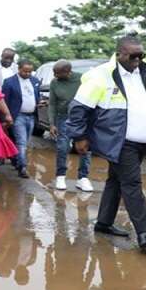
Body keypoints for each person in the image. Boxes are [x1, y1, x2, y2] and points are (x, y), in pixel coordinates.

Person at [67, 36, 146, 250]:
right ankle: (144, 232)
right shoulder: (101, 75)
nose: (138, 59)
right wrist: (79, 136)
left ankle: (103, 223)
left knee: (116, 180)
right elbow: (78, 108)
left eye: (142, 55)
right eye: (134, 55)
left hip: (143, 141)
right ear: (120, 54)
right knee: (132, 183)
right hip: (121, 141)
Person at [48, 60, 93, 192]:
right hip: (63, 118)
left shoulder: (82, 79)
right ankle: (61, 176)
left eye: (57, 73)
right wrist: (52, 123)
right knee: (62, 146)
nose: (55, 76)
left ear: (67, 72)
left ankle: (83, 178)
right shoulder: (55, 83)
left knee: (85, 148)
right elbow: (52, 104)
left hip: (82, 117)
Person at [2, 60, 41, 179]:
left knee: (25, 142)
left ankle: (15, 159)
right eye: (25, 71)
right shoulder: (9, 82)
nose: (28, 73)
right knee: (22, 142)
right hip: (18, 115)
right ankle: (22, 167)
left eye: (30, 71)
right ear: (19, 69)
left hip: (31, 116)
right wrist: (5, 117)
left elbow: (36, 96)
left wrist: (39, 103)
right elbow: (4, 101)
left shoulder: (35, 81)